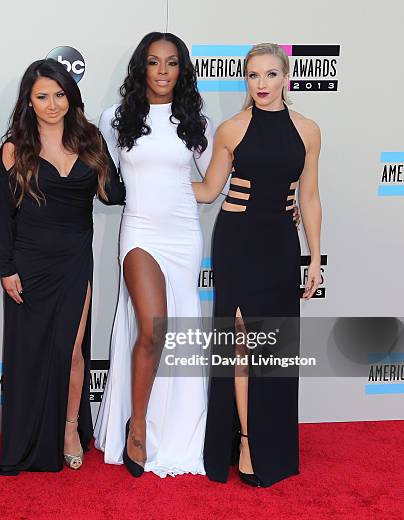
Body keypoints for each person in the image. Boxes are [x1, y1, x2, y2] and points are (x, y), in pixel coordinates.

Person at [193, 43, 322, 487]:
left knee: (277, 346)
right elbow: (210, 190)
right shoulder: (231, 128)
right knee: (244, 343)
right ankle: (246, 441)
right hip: (238, 242)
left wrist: (315, 257)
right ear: (245, 80)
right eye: (253, 76)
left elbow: (309, 196)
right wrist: (154, 182)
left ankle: (274, 443)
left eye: (270, 75)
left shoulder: (308, 130)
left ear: (287, 77)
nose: (262, 84)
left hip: (282, 247)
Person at [0, 59, 125, 476]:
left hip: (73, 261)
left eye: (59, 94)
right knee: (31, 353)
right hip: (28, 263)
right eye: (42, 96)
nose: (52, 104)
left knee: (71, 350)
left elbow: (113, 195)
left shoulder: (90, 141)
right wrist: (6, 267)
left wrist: (123, 158)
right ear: (29, 102)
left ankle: (70, 430)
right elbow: (2, 214)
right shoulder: (15, 146)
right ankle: (27, 439)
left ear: (71, 97)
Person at [93, 32, 216, 478]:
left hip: (184, 235)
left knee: (176, 329)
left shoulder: (194, 120)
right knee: (152, 326)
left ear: (182, 69)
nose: (162, 71)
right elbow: (104, 181)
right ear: (140, 68)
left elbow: (211, 181)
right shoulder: (116, 118)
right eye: (153, 62)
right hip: (139, 232)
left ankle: (176, 427)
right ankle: (137, 423)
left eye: (171, 62)